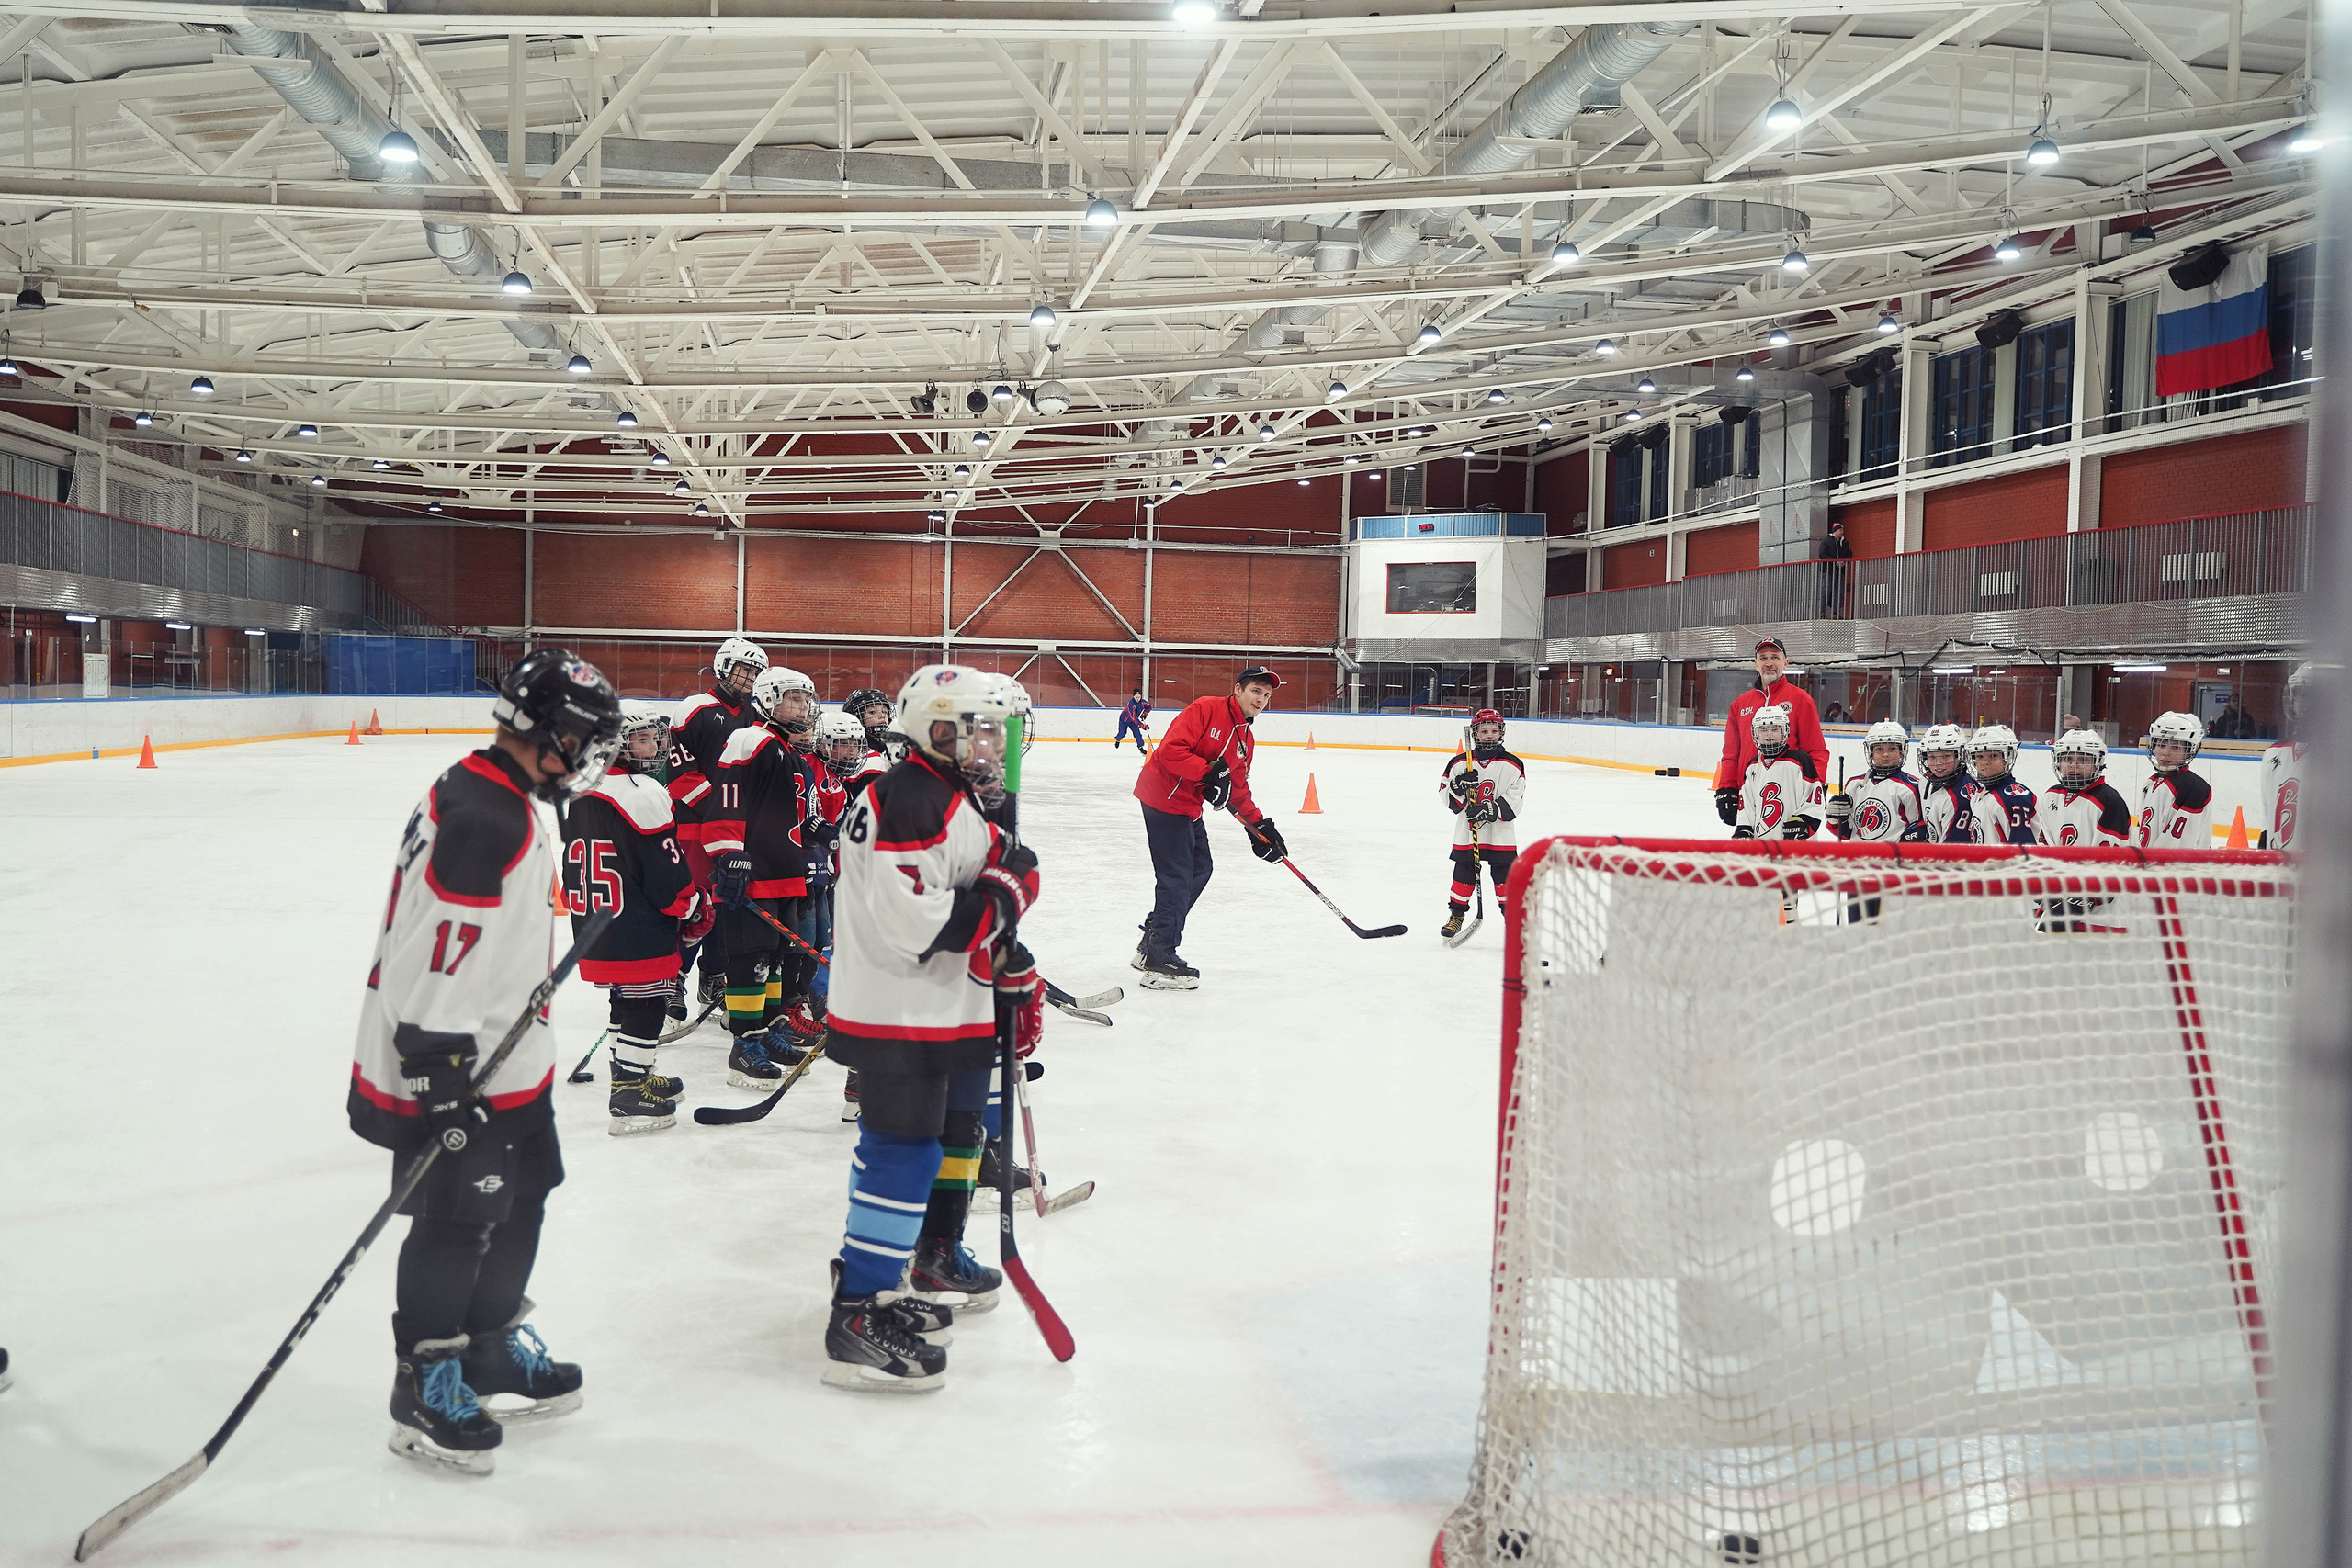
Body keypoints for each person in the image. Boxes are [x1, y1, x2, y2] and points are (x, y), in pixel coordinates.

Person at [350, 648, 623, 1474]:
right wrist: (438, 1074)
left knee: (525, 1196)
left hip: (511, 1056)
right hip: (456, 1060)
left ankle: (490, 1348)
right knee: (457, 1220)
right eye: (583, 743)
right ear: (549, 735)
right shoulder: (484, 817)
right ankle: (426, 1379)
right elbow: (434, 956)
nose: (587, 761)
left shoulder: (501, 791)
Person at [824, 665, 1043, 1391]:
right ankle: (859, 1306)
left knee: (933, 1141)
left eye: (991, 728)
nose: (988, 742)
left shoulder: (939, 790)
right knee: (901, 1150)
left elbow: (985, 875)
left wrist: (1008, 954)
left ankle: (886, 1278)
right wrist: (1008, 895)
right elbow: (921, 926)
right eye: (973, 727)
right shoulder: (913, 799)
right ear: (934, 728)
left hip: (936, 1004)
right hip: (902, 1008)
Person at [560, 705, 708, 1134]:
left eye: (656, 738)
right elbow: (663, 872)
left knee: (625, 999)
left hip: (597, 920)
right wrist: (693, 903)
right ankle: (628, 1093)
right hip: (637, 921)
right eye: (642, 739)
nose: (657, 746)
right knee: (648, 1004)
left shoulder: (582, 788)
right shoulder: (642, 791)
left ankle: (636, 1075)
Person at [1130, 665, 1289, 988]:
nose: (1261, 699)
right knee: (1176, 876)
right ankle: (1159, 959)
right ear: (1238, 690)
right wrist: (1207, 772)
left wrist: (1259, 828)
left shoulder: (1246, 739)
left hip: (1188, 806)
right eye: (1256, 691)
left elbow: (1238, 789)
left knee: (1201, 868)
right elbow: (1171, 751)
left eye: (1267, 695)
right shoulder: (1205, 708)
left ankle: (1153, 938)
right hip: (1162, 797)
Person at [704, 666, 824, 1088]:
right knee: (750, 958)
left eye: (806, 700)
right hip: (753, 872)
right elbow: (727, 801)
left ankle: (769, 1030)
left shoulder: (784, 748)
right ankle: (744, 1044)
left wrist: (816, 833)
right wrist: (728, 853)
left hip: (784, 873)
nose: (803, 707)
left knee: (774, 957)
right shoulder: (750, 739)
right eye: (794, 698)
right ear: (768, 698)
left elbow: (788, 813)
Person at [672, 638, 769, 1012]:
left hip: (738, 832)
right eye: (744, 668)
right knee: (693, 905)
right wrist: (722, 809)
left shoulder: (759, 714)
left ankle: (713, 978)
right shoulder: (694, 709)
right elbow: (680, 773)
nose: (749, 677)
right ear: (723, 667)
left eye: (755, 671)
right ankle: (674, 980)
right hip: (695, 828)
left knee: (727, 907)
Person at [1713, 639, 1828, 829]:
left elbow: (1816, 751)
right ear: (1755, 664)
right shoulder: (1740, 704)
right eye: (1763, 658)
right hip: (1749, 794)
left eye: (1775, 657)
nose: (1769, 663)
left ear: (1785, 662)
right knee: (1751, 853)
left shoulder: (1801, 700)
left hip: (1789, 794)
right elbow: (1732, 753)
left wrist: (1816, 789)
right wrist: (1726, 788)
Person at [1439, 709, 1525, 942]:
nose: (1489, 735)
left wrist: (1489, 809)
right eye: (1484, 731)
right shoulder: (1459, 763)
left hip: (1500, 834)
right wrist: (1458, 786)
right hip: (1468, 833)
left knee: (1505, 878)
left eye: (1494, 731)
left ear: (1501, 732)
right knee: (1463, 873)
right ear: (1475, 733)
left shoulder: (1513, 764)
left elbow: (1515, 799)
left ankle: (1513, 924)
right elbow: (1447, 798)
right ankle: (1456, 915)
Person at [1733, 705, 1824, 840]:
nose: (1769, 734)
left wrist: (1803, 823)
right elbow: (1746, 804)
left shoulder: (1800, 760)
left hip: (1797, 848)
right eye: (1763, 729)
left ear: (1784, 731)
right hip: (1762, 847)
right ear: (1755, 733)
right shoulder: (1752, 766)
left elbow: (1815, 799)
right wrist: (1744, 829)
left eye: (1775, 728)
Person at [1827, 720, 1924, 842]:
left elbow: (1917, 832)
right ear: (1871, 753)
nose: (1885, 754)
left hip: (1893, 858)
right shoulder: (1854, 784)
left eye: (1892, 749)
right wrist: (1835, 819)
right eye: (1879, 749)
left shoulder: (1910, 787)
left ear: (1901, 753)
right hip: (1858, 857)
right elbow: (1846, 833)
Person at [2038, 729, 2133, 848]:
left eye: (2083, 760)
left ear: (2098, 763)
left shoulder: (2109, 801)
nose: (2073, 766)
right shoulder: (2051, 795)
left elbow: (2111, 860)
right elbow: (2045, 845)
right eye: (2067, 759)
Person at [2140, 711, 2215, 848]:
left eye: (2176, 747)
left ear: (2190, 751)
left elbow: (2179, 844)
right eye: (2161, 745)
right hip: (2148, 865)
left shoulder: (2194, 788)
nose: (2166, 752)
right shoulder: (2151, 782)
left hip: (2176, 868)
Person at [2262, 663, 2316, 848]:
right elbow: (2268, 816)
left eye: (2314, 695)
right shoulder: (2274, 753)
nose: (2305, 702)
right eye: (2300, 694)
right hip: (2279, 869)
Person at [1966, 725, 2039, 845]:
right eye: (1980, 756)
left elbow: (2023, 852)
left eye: (1993, 756)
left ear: (2008, 757)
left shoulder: (2014, 799)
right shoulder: (1978, 796)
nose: (1985, 762)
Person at [1916, 722, 1981, 843]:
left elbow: (1952, 850)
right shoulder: (1925, 782)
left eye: (1945, 756)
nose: (1938, 763)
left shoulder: (1962, 797)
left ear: (1959, 756)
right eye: (1932, 757)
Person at [1815, 519, 1853, 618]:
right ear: (1835, 531)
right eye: (1840, 530)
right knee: (1826, 590)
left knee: (1839, 592)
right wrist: (1834, 562)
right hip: (1828, 571)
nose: (1842, 532)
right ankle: (1822, 612)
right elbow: (1822, 554)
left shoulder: (1844, 542)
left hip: (1839, 571)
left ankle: (1836, 613)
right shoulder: (1826, 541)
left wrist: (1845, 562)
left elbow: (1849, 554)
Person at [1115, 689, 1153, 753]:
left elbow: (1149, 706)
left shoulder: (1142, 702)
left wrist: (1145, 713)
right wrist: (1141, 725)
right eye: (1136, 697)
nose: (1138, 699)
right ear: (1133, 696)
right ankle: (1118, 739)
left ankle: (1141, 747)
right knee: (1122, 733)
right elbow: (1133, 717)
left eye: (1139, 697)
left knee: (1138, 734)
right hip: (1125, 720)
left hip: (1134, 722)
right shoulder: (1131, 704)